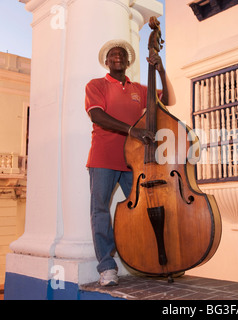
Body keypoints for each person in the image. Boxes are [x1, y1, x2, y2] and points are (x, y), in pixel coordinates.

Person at [85, 39, 175, 286]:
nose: (118, 57)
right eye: (113, 54)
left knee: (146, 210)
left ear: (128, 62)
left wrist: (161, 70)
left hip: (134, 161)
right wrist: (131, 130)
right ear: (106, 61)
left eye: (122, 55)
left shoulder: (140, 89)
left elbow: (167, 99)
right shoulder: (96, 85)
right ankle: (106, 267)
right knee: (100, 211)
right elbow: (96, 115)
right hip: (103, 158)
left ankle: (151, 260)